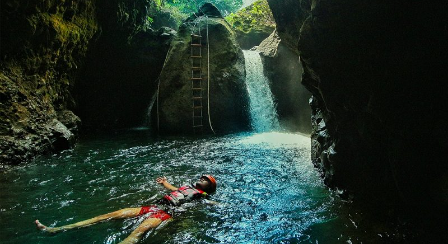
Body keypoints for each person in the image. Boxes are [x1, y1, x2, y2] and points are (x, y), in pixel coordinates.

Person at [35, 175, 217, 244]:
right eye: (202, 176)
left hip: (167, 213)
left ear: (208, 186)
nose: (201, 178)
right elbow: (172, 189)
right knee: (111, 214)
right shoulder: (185, 187)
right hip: (155, 206)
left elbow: (211, 204)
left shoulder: (202, 195)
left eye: (205, 179)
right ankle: (57, 229)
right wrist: (164, 183)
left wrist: (218, 206)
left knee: (138, 232)